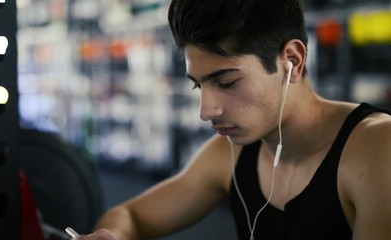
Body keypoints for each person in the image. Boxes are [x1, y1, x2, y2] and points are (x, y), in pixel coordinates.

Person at [75, 0, 391, 239]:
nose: (206, 111)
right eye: (199, 85)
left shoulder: (377, 149)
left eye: (226, 82)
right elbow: (129, 215)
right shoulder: (229, 154)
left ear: (291, 61)